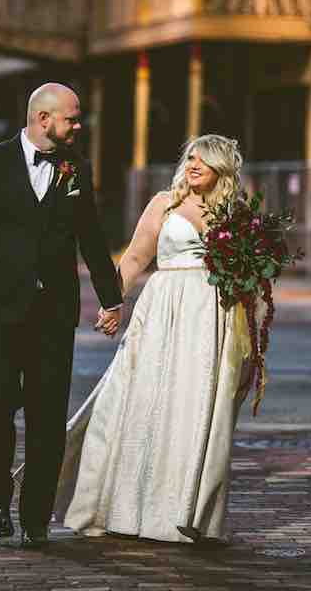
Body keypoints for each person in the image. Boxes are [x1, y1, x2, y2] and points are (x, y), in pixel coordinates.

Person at [0, 83, 122, 547]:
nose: (80, 127)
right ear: (44, 119)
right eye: (73, 119)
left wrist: (111, 297)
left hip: (55, 313)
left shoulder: (75, 167)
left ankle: (36, 517)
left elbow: (91, 235)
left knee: (47, 416)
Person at [47, 134, 252, 545]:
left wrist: (255, 339)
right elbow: (137, 258)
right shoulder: (165, 203)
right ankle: (123, 507)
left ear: (222, 171)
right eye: (190, 157)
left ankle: (186, 513)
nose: (193, 165)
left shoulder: (236, 212)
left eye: (204, 161)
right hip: (163, 310)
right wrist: (111, 304)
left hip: (215, 317)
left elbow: (251, 276)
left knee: (198, 409)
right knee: (142, 398)